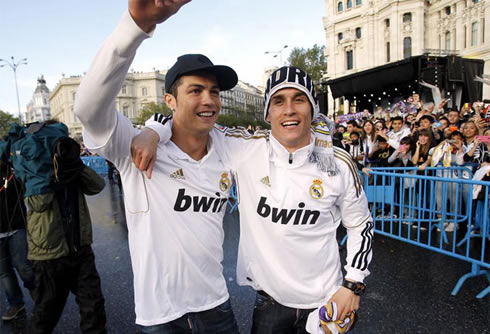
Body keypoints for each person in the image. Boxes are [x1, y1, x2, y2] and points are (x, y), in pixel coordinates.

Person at [135, 65, 373, 334]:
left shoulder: (337, 162)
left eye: (299, 99)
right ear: (267, 112)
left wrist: (353, 284)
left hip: (327, 299)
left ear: (312, 107)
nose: (289, 110)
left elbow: (360, 223)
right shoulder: (245, 148)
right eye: (279, 101)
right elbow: (186, 118)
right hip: (269, 302)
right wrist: (153, 130)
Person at [73, 1, 240, 332]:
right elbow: (88, 109)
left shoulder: (230, 148)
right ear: (170, 100)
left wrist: (158, 125)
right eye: (196, 90)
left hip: (217, 308)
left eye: (214, 91)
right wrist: (134, 27)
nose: (209, 100)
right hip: (161, 318)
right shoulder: (135, 149)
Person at [0, 122, 107, 333]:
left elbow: (97, 186)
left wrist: (74, 164)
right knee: (46, 314)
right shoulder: (35, 174)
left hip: (79, 248)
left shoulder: (68, 168)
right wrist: (49, 173)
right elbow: (40, 202)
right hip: (49, 254)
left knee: (93, 306)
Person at [0, 160, 35, 321]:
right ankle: (15, 304)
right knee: (4, 271)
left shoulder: (11, 171)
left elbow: (25, 190)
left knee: (23, 266)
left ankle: (40, 297)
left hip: (16, 227)